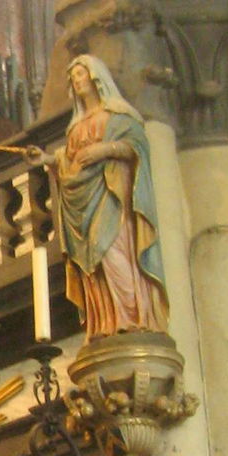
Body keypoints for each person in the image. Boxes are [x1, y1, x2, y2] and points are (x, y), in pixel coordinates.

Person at [53, 53, 169, 336]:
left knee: (118, 255)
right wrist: (45, 159)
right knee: (96, 264)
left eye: (81, 74)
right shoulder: (75, 129)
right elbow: (69, 163)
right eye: (73, 78)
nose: (77, 81)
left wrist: (105, 150)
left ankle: (134, 319)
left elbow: (137, 148)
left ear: (95, 77)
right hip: (84, 207)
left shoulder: (118, 117)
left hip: (114, 199)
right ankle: (106, 323)